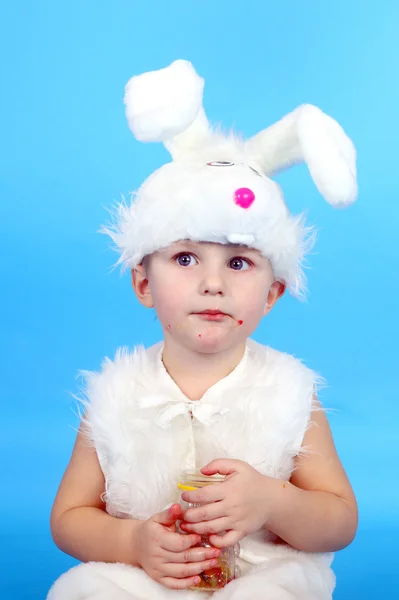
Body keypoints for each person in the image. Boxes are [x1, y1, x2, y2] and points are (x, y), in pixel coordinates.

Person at [47, 60, 358, 600]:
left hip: (263, 577)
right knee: (83, 590)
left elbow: (340, 521)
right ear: (143, 283)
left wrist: (274, 502)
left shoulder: (288, 392)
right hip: (150, 578)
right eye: (186, 257)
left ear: (271, 293)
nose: (213, 283)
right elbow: (69, 518)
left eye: (239, 264)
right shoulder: (115, 393)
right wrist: (134, 542)